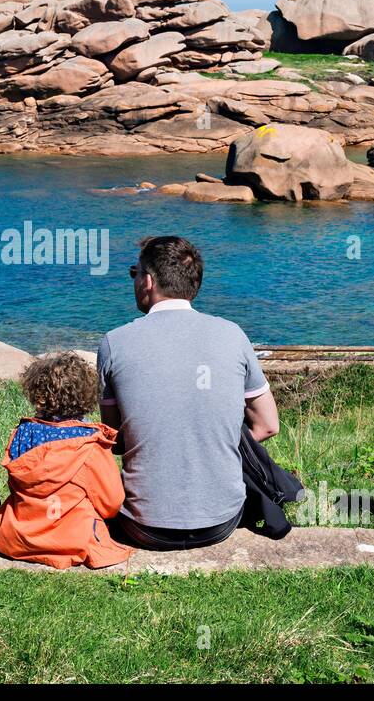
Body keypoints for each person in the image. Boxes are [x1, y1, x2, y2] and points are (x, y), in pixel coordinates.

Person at [98, 235, 280, 550]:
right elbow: (267, 425)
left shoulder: (115, 342)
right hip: (221, 522)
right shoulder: (232, 335)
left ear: (148, 281)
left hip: (143, 525)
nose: (135, 280)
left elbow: (113, 435)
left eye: (135, 273)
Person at [0, 353, 133, 570]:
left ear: (37, 394)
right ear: (86, 395)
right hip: (74, 538)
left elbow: (17, 487)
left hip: (20, 535)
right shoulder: (89, 444)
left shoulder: (23, 434)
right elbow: (111, 502)